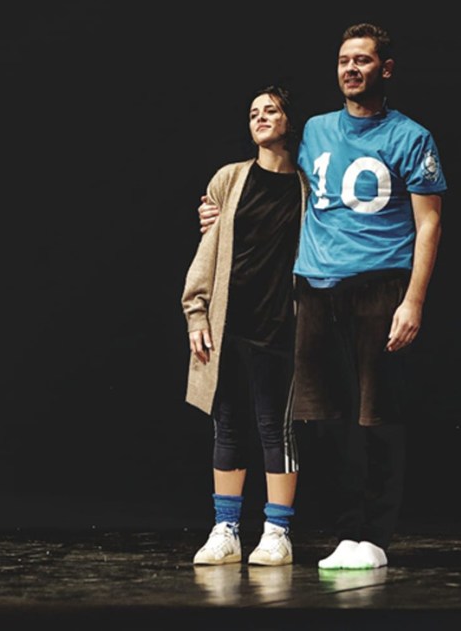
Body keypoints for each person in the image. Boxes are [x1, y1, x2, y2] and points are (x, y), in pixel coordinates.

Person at [198, 22, 447, 570]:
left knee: (376, 417)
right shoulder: (315, 130)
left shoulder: (411, 137)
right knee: (323, 420)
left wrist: (413, 300)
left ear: (385, 69)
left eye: (362, 60)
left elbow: (429, 223)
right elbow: (277, 183)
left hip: (379, 286)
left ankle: (374, 538)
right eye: (343, 61)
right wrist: (217, 211)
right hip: (314, 291)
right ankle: (345, 534)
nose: (351, 69)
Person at [181, 84, 309, 566]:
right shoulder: (229, 179)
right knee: (228, 426)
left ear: (289, 121)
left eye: (270, 110)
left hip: (280, 326)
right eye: (254, 112)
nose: (260, 117)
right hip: (228, 323)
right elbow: (207, 254)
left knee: (276, 428)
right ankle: (226, 529)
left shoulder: (308, 187)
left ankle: (277, 531)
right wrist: (196, 312)